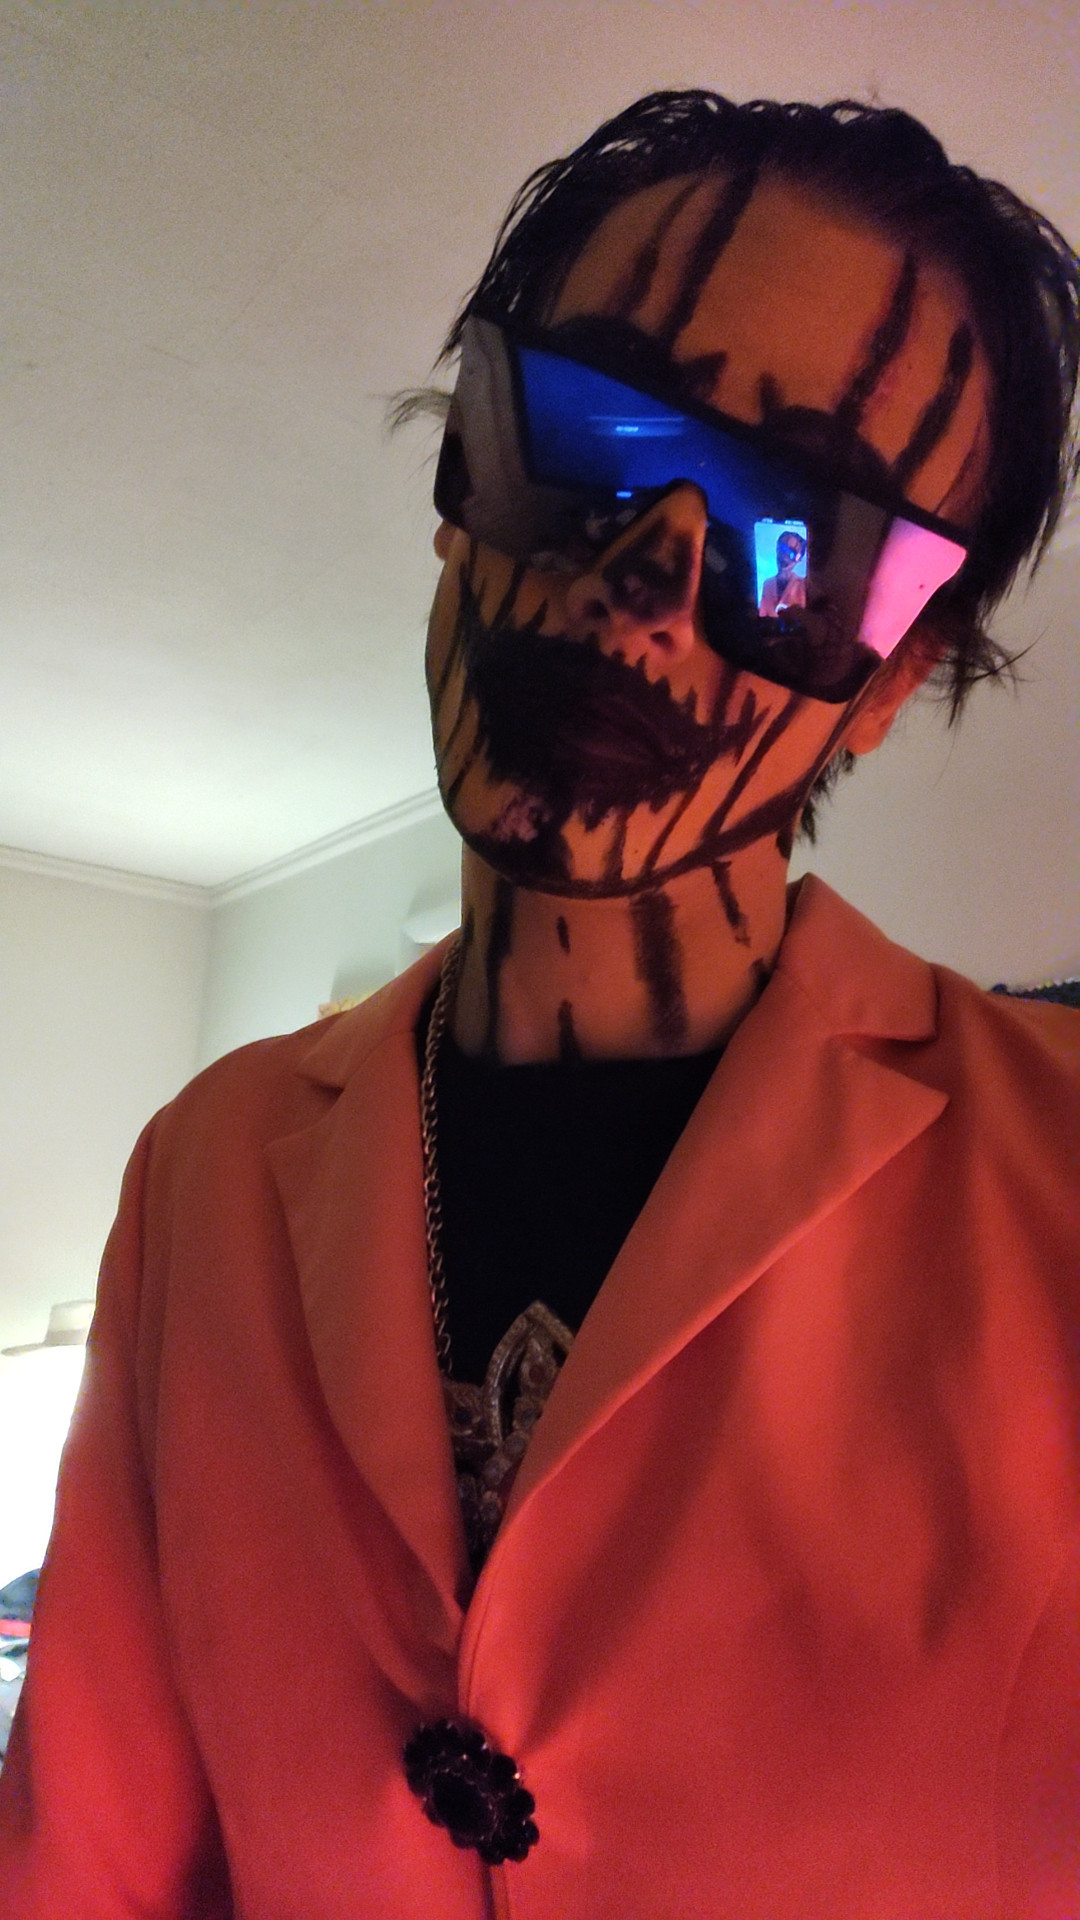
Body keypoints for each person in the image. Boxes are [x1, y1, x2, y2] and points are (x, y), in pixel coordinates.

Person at [2, 89, 1078, 1920]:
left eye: (798, 529)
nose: (644, 572)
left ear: (894, 679)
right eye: (586, 432)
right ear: (458, 475)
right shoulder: (207, 1168)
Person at [758, 525, 807, 616]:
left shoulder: (803, 586)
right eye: (781, 548)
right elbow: (762, 613)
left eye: (791, 553)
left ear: (799, 559)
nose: (784, 556)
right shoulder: (768, 584)